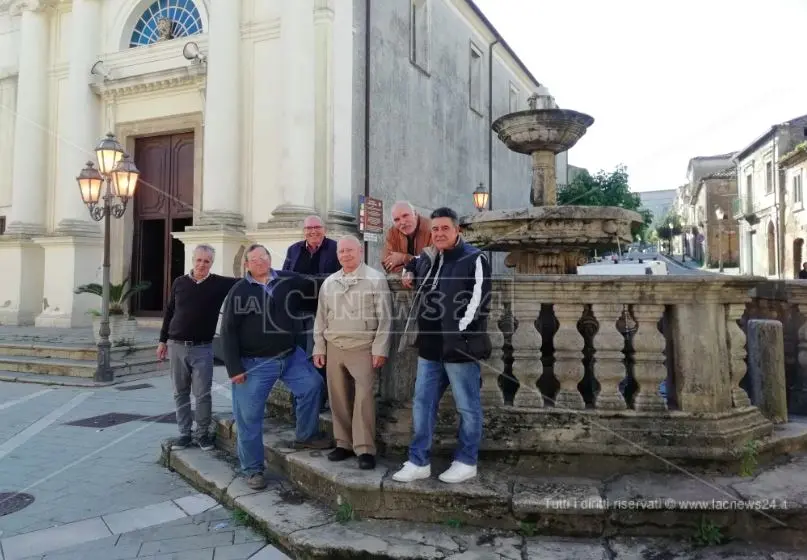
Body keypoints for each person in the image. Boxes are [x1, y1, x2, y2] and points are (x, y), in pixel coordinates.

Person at [392, 207, 492, 484]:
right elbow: (414, 262)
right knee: (422, 404)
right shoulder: (430, 256)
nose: (438, 233)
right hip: (429, 348)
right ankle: (418, 461)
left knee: (467, 408)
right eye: (434, 229)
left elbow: (478, 304)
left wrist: (457, 335)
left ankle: (466, 461)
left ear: (457, 230)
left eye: (444, 228)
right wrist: (409, 271)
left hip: (459, 348)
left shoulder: (475, 258)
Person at [220, 244, 331, 490]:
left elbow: (315, 283)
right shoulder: (239, 291)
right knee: (249, 418)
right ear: (247, 265)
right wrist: (234, 368)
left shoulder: (286, 280)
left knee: (313, 385)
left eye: (264, 257)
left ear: (271, 258)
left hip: (290, 356)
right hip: (253, 364)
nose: (260, 261)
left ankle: (306, 435)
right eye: (254, 259)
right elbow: (227, 331)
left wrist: (345, 273)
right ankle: (253, 470)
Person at [313, 235, 392, 470]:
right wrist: (319, 347)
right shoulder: (329, 282)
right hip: (335, 346)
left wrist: (380, 349)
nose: (345, 255)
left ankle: (365, 448)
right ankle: (343, 443)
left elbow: (386, 319)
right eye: (341, 252)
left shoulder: (376, 280)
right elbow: (320, 318)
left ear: (360, 252)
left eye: (349, 250)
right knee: (337, 397)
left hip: (364, 348)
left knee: (364, 399)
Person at [157, 244, 239, 451]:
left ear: (212, 263)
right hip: (176, 346)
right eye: (199, 260)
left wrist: (260, 265)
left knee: (202, 394)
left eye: (207, 261)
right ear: (192, 260)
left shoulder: (219, 283)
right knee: (180, 393)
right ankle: (185, 434)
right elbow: (169, 312)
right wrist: (162, 341)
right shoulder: (179, 282)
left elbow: (246, 281)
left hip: (202, 348)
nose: (202, 264)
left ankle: (202, 434)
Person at [283, 215, 341, 407]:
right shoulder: (294, 249)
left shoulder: (335, 248)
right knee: (299, 354)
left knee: (320, 355)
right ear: (304, 231)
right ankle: (300, 397)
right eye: (309, 228)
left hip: (323, 311)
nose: (313, 231)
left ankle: (319, 398)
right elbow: (285, 277)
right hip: (297, 311)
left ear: (324, 229)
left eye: (317, 227)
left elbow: (338, 278)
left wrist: (303, 279)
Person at [381, 201, 432, 273]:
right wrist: (407, 271)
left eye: (405, 215)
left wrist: (403, 258)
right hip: (401, 277)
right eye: (397, 219)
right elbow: (386, 263)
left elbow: (431, 263)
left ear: (415, 214)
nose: (402, 222)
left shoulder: (432, 228)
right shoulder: (392, 232)